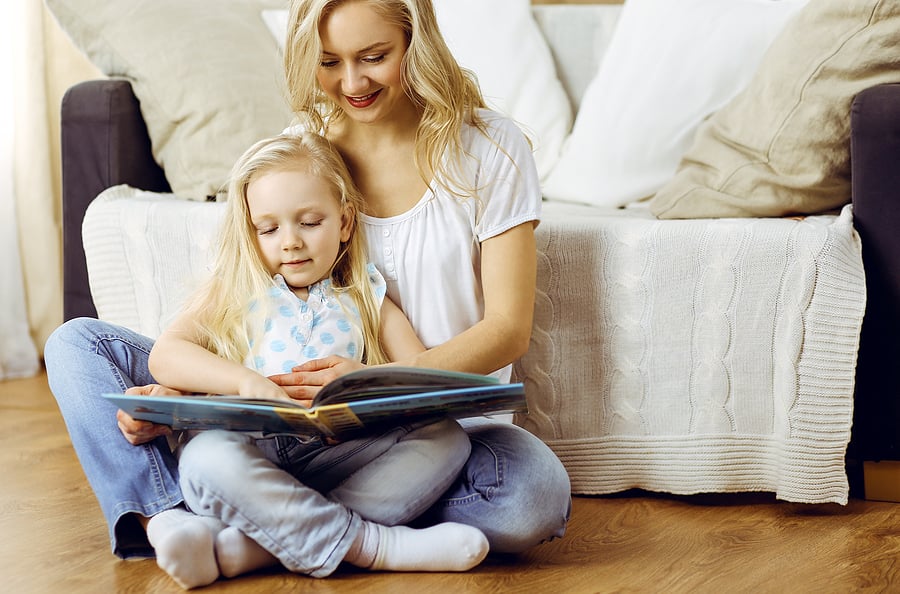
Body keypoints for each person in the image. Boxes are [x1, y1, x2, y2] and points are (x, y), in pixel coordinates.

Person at [44, 0, 569, 585]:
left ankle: (255, 532)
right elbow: (231, 296)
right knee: (78, 346)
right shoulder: (304, 150)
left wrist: (384, 385)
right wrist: (196, 390)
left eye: (375, 57)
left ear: (415, 42)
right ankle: (168, 519)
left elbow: (507, 328)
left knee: (532, 497)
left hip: (410, 422)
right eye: (328, 61)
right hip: (273, 402)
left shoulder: (489, 149)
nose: (351, 83)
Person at [147, 131, 490, 588]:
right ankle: (374, 546)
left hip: (342, 452)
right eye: (268, 229)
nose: (289, 242)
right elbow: (166, 354)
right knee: (204, 457)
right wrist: (247, 383)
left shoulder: (367, 294)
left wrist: (367, 380)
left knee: (447, 438)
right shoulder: (238, 290)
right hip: (256, 449)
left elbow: (421, 375)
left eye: (309, 222)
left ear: (345, 223)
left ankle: (251, 546)